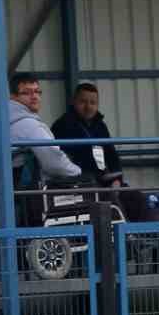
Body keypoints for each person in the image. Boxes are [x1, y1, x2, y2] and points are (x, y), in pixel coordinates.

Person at [51, 80, 149, 222]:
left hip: (105, 182)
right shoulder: (62, 126)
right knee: (111, 201)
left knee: (136, 198)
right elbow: (60, 162)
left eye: (93, 103)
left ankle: (148, 239)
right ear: (73, 102)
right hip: (81, 185)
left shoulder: (100, 126)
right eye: (83, 102)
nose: (88, 107)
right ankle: (125, 238)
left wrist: (117, 180)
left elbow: (112, 156)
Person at [5, 71, 82, 186]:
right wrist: (78, 172)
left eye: (37, 91)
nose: (34, 97)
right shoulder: (30, 125)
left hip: (9, 191)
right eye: (26, 93)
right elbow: (54, 164)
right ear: (13, 97)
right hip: (25, 196)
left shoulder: (7, 122)